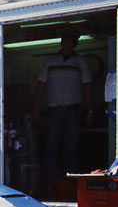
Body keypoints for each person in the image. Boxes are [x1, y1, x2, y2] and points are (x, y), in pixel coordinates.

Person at [32, 32, 93, 184]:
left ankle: (71, 186)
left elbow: (88, 87)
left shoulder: (81, 62)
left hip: (73, 111)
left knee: (71, 149)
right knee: (50, 148)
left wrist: (91, 110)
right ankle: (47, 185)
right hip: (53, 111)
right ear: (61, 42)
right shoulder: (50, 61)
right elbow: (41, 86)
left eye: (70, 41)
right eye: (64, 40)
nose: (66, 44)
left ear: (75, 44)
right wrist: (36, 108)